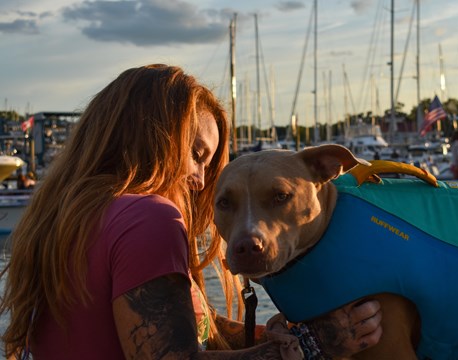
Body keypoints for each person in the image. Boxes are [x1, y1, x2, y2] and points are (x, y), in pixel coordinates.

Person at [0, 64, 382, 359]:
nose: (201, 180)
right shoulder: (147, 218)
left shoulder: (70, 218)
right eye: (197, 155)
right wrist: (317, 342)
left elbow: (191, 328)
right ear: (150, 138)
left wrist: (276, 334)